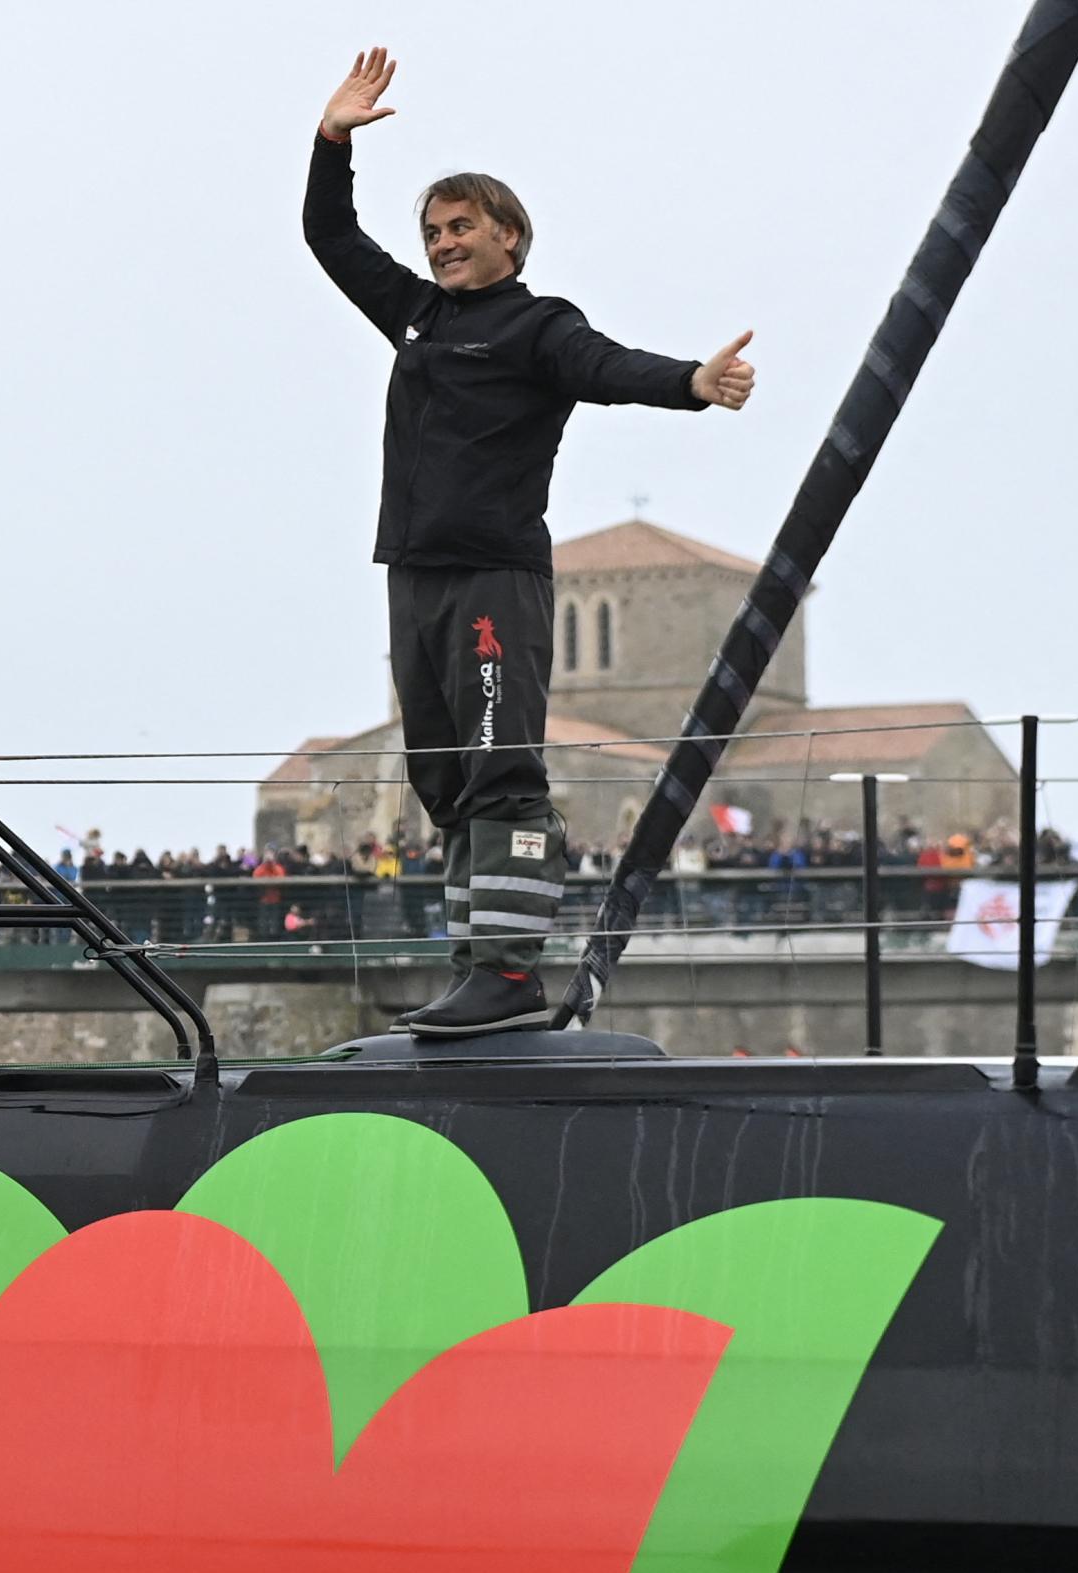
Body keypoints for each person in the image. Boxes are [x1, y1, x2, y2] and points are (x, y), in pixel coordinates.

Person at [309, 47, 755, 1035]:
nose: (442, 243)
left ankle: (510, 972)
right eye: (432, 231)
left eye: (461, 227)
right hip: (413, 571)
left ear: (509, 234)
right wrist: (332, 139)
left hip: (494, 575)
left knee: (500, 763)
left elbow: (605, 364)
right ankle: (476, 963)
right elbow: (329, 235)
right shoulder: (419, 318)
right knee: (441, 776)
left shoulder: (538, 325)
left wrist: (690, 380)